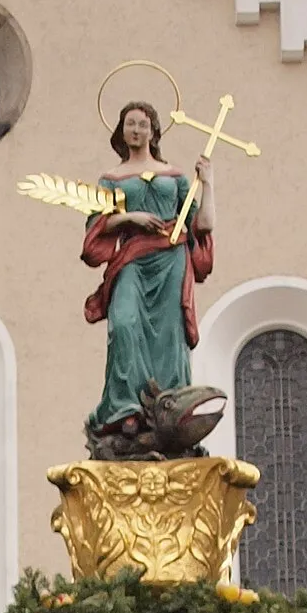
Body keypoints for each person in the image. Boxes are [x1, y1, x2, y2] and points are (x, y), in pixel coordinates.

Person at [80, 101, 215, 447]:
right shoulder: (110, 179)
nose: (136, 130)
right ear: (121, 131)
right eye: (129, 124)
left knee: (170, 336)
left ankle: (169, 410)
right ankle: (125, 408)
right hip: (132, 260)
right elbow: (96, 225)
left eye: (142, 124)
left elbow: (202, 224)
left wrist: (208, 183)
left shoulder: (176, 176)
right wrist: (131, 218)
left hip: (171, 261)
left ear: (154, 131)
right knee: (124, 324)